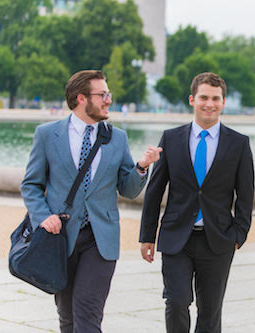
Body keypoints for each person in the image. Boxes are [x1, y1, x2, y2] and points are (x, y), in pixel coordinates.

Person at [21, 70, 162, 333]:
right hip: (60, 238)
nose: (109, 100)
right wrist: (43, 216)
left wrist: (142, 167)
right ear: (81, 98)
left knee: (88, 312)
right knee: (67, 316)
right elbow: (31, 184)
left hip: (101, 239)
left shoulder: (117, 137)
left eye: (109, 94)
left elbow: (128, 189)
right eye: (103, 94)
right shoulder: (47, 135)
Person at [139, 72, 254, 333]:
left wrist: (239, 234)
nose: (209, 104)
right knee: (177, 301)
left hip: (218, 240)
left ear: (223, 102)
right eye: (203, 97)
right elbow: (155, 190)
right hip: (176, 237)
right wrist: (147, 236)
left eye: (215, 98)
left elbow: (246, 195)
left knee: (210, 311)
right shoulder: (170, 139)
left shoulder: (239, 144)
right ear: (192, 99)